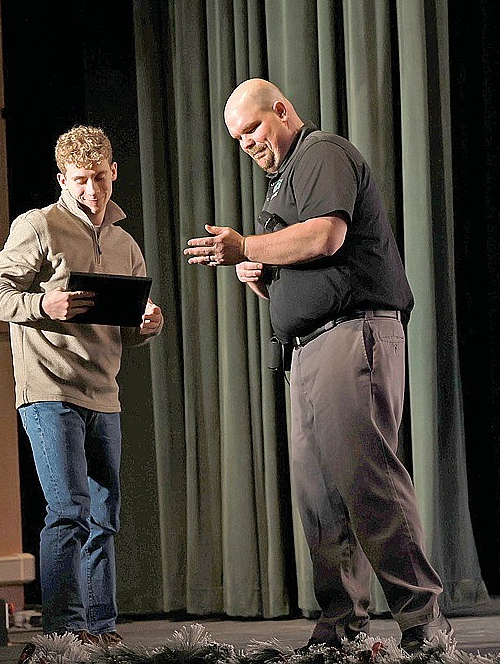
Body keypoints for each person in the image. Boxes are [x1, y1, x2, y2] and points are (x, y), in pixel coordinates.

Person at [184, 79, 452, 653]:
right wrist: (263, 279)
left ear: (282, 111)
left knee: (369, 482)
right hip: (308, 349)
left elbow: (328, 237)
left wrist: (248, 249)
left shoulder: (321, 154)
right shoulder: (282, 183)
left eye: (253, 129)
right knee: (320, 501)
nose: (247, 144)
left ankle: (423, 625)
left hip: (352, 337)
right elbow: (307, 270)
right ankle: (341, 631)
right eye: (237, 139)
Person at [0, 125, 163, 648]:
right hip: (49, 389)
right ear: (63, 178)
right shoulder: (39, 226)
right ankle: (65, 635)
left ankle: (101, 631)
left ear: (114, 172)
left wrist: (146, 326)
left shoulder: (126, 244)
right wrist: (44, 304)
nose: (93, 191)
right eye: (81, 180)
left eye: (100, 178)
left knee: (105, 515)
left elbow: (127, 332)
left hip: (104, 392)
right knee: (69, 510)